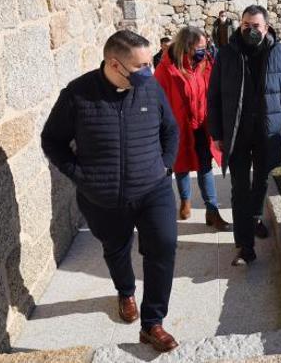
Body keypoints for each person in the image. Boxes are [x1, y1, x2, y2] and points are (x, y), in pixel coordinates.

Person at [41, 30, 180, 352]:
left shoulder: (151, 88)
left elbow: (170, 129)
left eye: (151, 63)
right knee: (116, 249)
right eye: (142, 66)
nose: (150, 71)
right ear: (114, 64)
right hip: (102, 197)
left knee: (163, 246)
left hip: (152, 189)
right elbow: (53, 141)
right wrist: (82, 176)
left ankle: (153, 323)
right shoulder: (77, 95)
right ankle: (125, 291)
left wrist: (165, 167)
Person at [208, 5, 281, 266]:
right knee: (239, 188)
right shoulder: (226, 54)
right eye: (246, 24)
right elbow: (213, 96)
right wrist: (216, 132)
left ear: (266, 27)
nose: (250, 29)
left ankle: (256, 217)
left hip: (266, 132)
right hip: (236, 133)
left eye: (256, 25)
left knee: (260, 182)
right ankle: (245, 246)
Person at [154, 26, 230, 231]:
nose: (204, 51)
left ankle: (212, 210)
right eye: (200, 47)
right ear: (187, 46)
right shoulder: (166, 69)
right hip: (178, 128)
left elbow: (214, 92)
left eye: (206, 47)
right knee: (181, 166)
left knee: (205, 166)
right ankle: (185, 201)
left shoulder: (206, 64)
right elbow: (157, 101)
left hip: (203, 126)